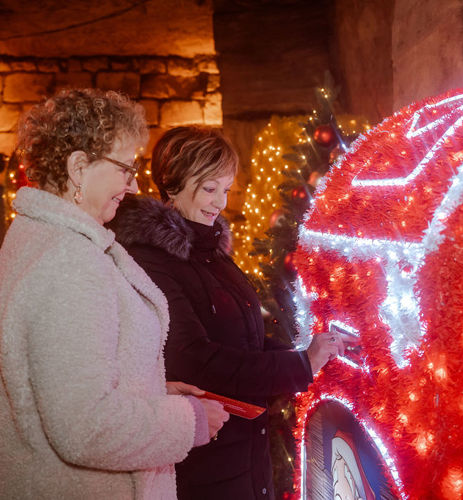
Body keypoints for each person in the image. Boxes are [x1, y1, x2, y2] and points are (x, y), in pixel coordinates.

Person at [0, 90, 228, 500]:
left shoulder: (52, 241)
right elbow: (83, 425)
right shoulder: (68, 262)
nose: (134, 184)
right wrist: (187, 421)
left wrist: (155, 391)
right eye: (126, 168)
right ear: (79, 168)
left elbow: (63, 381)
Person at [110, 126, 349, 499]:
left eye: (225, 190)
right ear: (172, 184)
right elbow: (193, 360)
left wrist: (308, 356)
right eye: (209, 189)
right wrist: (299, 367)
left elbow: (244, 340)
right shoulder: (150, 259)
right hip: (205, 463)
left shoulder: (212, 252)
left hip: (246, 451)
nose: (219, 203)